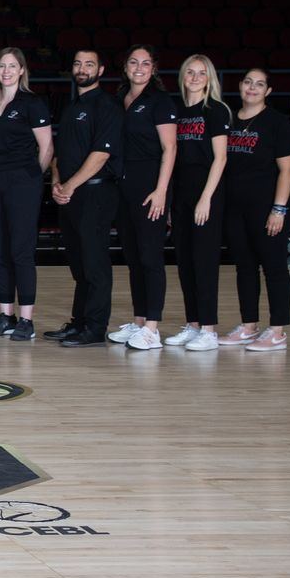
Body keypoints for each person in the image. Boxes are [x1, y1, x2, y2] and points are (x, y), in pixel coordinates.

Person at [49, 49, 126, 348]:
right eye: (78, 63)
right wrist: (57, 182)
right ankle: (79, 322)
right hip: (71, 194)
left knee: (94, 263)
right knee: (79, 264)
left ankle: (94, 328)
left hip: (95, 192)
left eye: (89, 64)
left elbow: (101, 154)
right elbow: (60, 153)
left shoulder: (107, 106)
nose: (82, 68)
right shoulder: (71, 107)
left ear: (101, 69)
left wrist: (69, 186)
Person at [0, 48, 54, 342]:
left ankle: (26, 319)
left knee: (21, 251)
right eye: (1, 66)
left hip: (21, 182)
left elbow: (46, 147)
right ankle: (6, 314)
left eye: (12, 66)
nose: (6, 71)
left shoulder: (32, 103)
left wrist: (33, 177)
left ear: (22, 70)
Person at [220, 68, 290, 352]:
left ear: (268, 91)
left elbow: (287, 170)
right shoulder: (228, 120)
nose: (252, 88)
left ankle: (276, 331)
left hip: (266, 207)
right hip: (234, 207)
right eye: (248, 82)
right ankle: (249, 326)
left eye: (259, 84)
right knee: (245, 268)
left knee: (274, 267)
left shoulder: (278, 123)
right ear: (240, 86)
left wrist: (278, 209)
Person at [110, 46, 178, 351]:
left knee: (151, 258)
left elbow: (170, 148)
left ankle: (152, 327)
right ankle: (138, 321)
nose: (139, 67)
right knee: (134, 258)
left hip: (150, 187)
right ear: (125, 67)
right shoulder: (120, 99)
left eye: (145, 63)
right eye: (133, 62)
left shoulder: (159, 101)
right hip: (124, 188)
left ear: (154, 69)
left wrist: (161, 190)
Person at [162, 54, 231, 353]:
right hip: (181, 194)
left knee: (204, 262)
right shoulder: (175, 109)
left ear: (209, 77)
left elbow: (221, 158)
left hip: (207, 194)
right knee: (185, 262)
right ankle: (192, 325)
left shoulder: (215, 110)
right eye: (189, 72)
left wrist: (206, 198)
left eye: (201, 73)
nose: (194, 77)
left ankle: (209, 329)